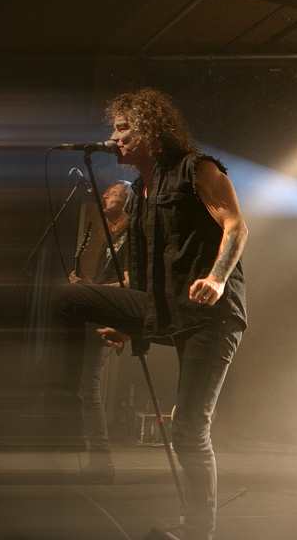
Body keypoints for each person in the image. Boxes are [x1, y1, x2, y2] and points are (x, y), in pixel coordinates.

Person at [51, 88, 248, 540]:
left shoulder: (197, 169)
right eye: (114, 130)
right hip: (164, 308)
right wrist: (128, 324)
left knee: (189, 430)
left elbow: (236, 226)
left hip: (212, 316)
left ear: (150, 131)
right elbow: (143, 274)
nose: (114, 139)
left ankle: (198, 531)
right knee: (69, 297)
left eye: (123, 129)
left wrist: (217, 278)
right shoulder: (140, 193)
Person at [61, 180, 134, 482]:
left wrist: (93, 291)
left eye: (113, 192)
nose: (105, 195)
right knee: (86, 388)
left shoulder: (134, 234)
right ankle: (99, 462)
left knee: (90, 388)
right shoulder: (108, 234)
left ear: (127, 200)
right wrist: (84, 285)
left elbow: (131, 282)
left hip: (113, 314)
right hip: (100, 309)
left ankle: (102, 464)